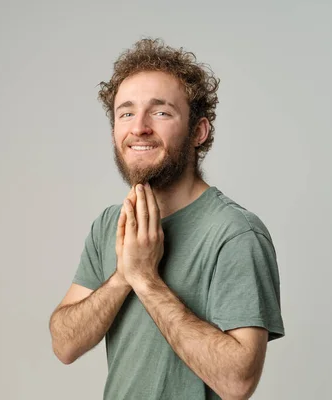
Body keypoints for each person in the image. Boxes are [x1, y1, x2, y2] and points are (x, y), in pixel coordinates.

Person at [48, 38, 285, 400]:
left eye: (160, 112)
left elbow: (238, 381)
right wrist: (122, 278)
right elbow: (64, 344)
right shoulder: (111, 224)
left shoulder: (236, 233)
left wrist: (145, 279)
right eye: (126, 113)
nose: (139, 127)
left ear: (198, 133)